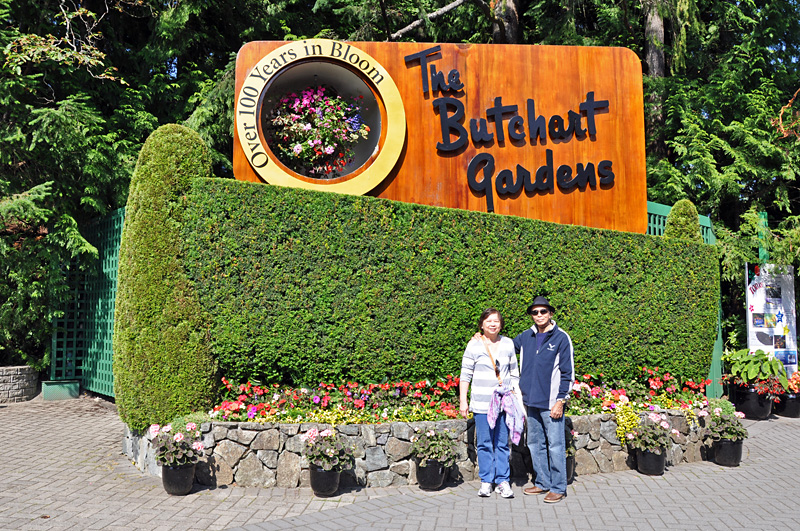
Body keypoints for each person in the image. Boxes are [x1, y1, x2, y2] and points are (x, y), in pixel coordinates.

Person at [514, 295, 574, 504]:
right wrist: (483, 337)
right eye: (535, 312)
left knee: (556, 445)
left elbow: (568, 373)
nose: (539, 315)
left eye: (543, 311)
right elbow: (503, 349)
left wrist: (560, 400)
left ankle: (558, 487)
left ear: (550, 313)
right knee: (534, 443)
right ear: (531, 315)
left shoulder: (561, 338)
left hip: (551, 403)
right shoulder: (525, 337)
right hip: (530, 402)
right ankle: (542, 482)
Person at [460, 308, 521, 498]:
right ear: (482, 324)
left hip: (504, 404)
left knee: (503, 443)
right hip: (481, 404)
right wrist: (463, 401)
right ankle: (486, 481)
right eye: (488, 321)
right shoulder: (474, 345)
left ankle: (502, 480)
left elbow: (514, 373)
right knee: (485, 443)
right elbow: (465, 375)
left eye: (496, 321)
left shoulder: (508, 344)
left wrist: (516, 397)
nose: (492, 324)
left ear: (501, 323)